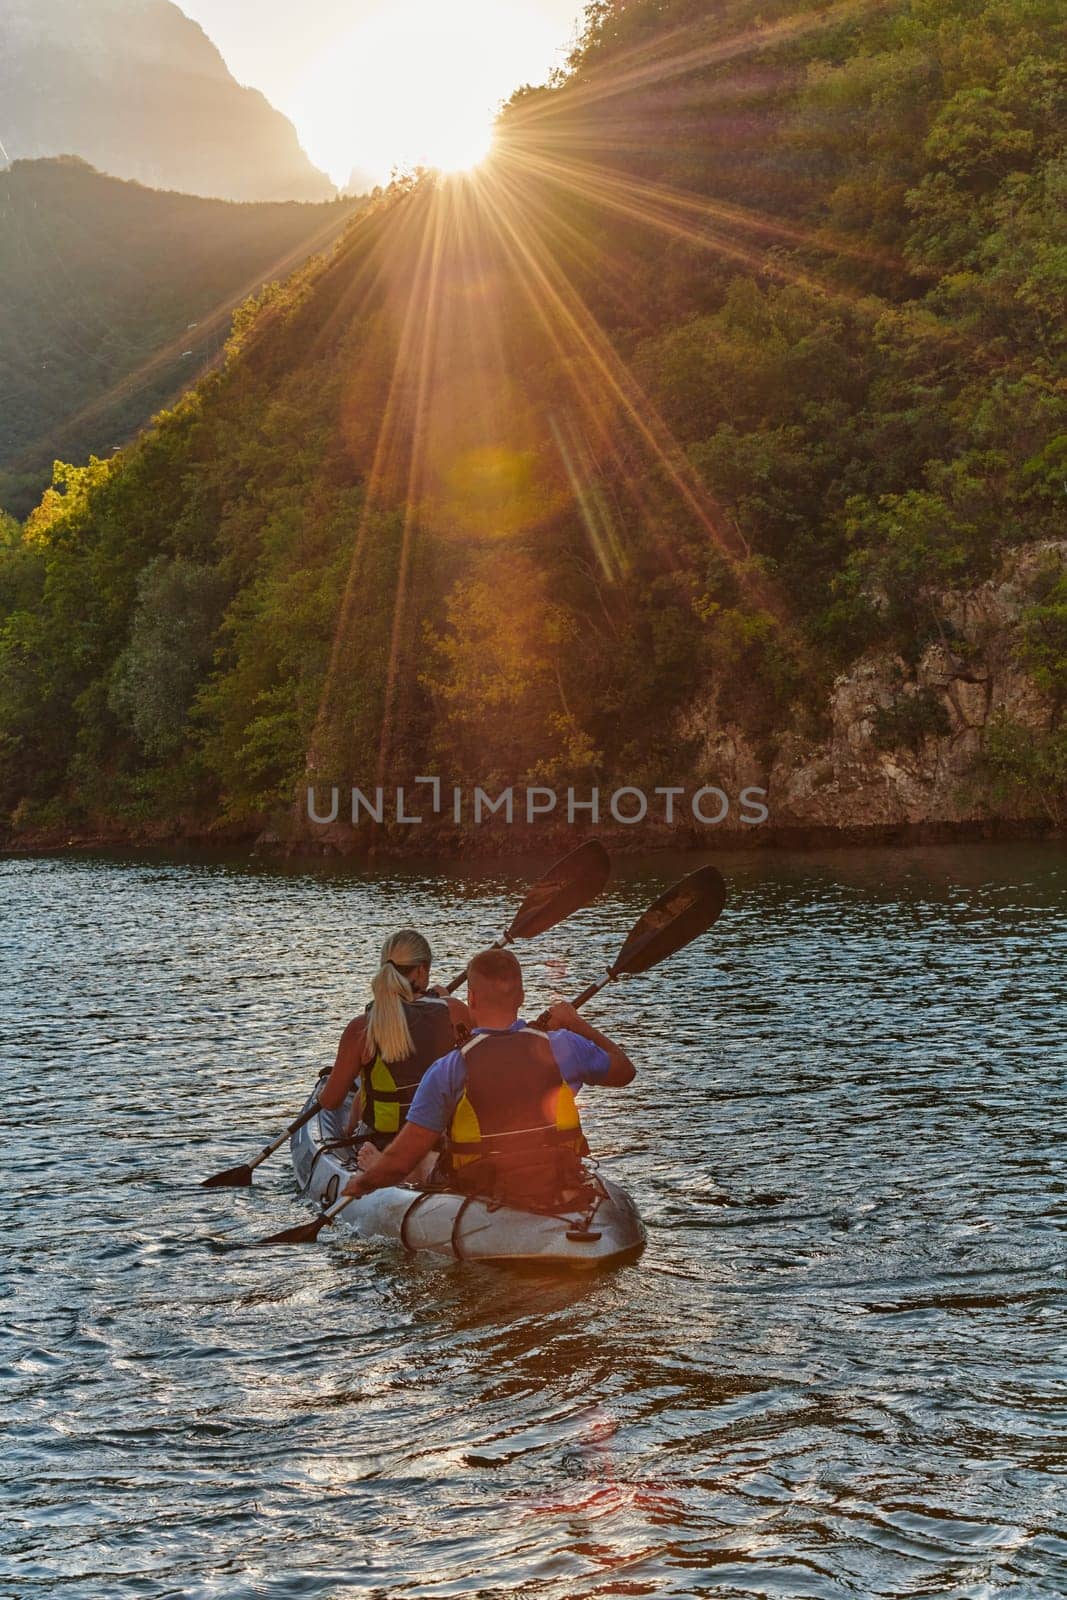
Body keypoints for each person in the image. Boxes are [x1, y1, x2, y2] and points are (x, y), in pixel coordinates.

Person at [341, 946, 635, 1207]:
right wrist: (575, 1023)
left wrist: (361, 1184)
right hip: (556, 1173)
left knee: (422, 1158)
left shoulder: (450, 1067)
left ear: (471, 1000)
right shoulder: (564, 1045)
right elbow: (624, 1070)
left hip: (482, 1184)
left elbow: (401, 1160)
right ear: (521, 996)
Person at [319, 929, 470, 1150]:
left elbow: (330, 1101)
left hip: (382, 1144)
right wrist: (445, 999)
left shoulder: (361, 1027)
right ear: (420, 971)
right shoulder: (455, 1011)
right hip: (441, 1139)